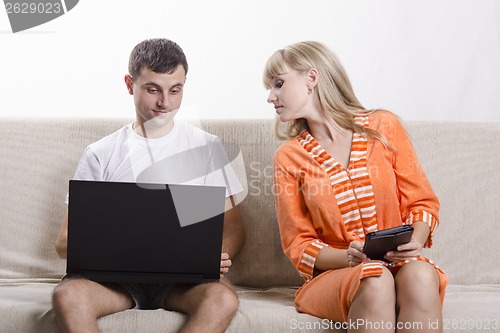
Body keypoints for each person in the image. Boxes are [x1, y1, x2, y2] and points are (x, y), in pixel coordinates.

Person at [52, 38, 245, 333]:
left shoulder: (205, 147)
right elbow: (64, 243)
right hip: (115, 283)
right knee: (67, 295)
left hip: (184, 282)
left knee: (222, 299)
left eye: (175, 90)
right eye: (153, 89)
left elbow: (233, 226)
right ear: (130, 84)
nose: (164, 102)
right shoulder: (101, 154)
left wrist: (215, 255)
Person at [264, 41, 447, 333]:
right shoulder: (288, 157)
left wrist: (414, 242)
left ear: (311, 78)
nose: (271, 97)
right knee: (375, 278)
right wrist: (348, 256)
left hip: (399, 265)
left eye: (278, 84)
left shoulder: (383, 127)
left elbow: (422, 203)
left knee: (422, 275)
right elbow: (298, 243)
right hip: (336, 275)